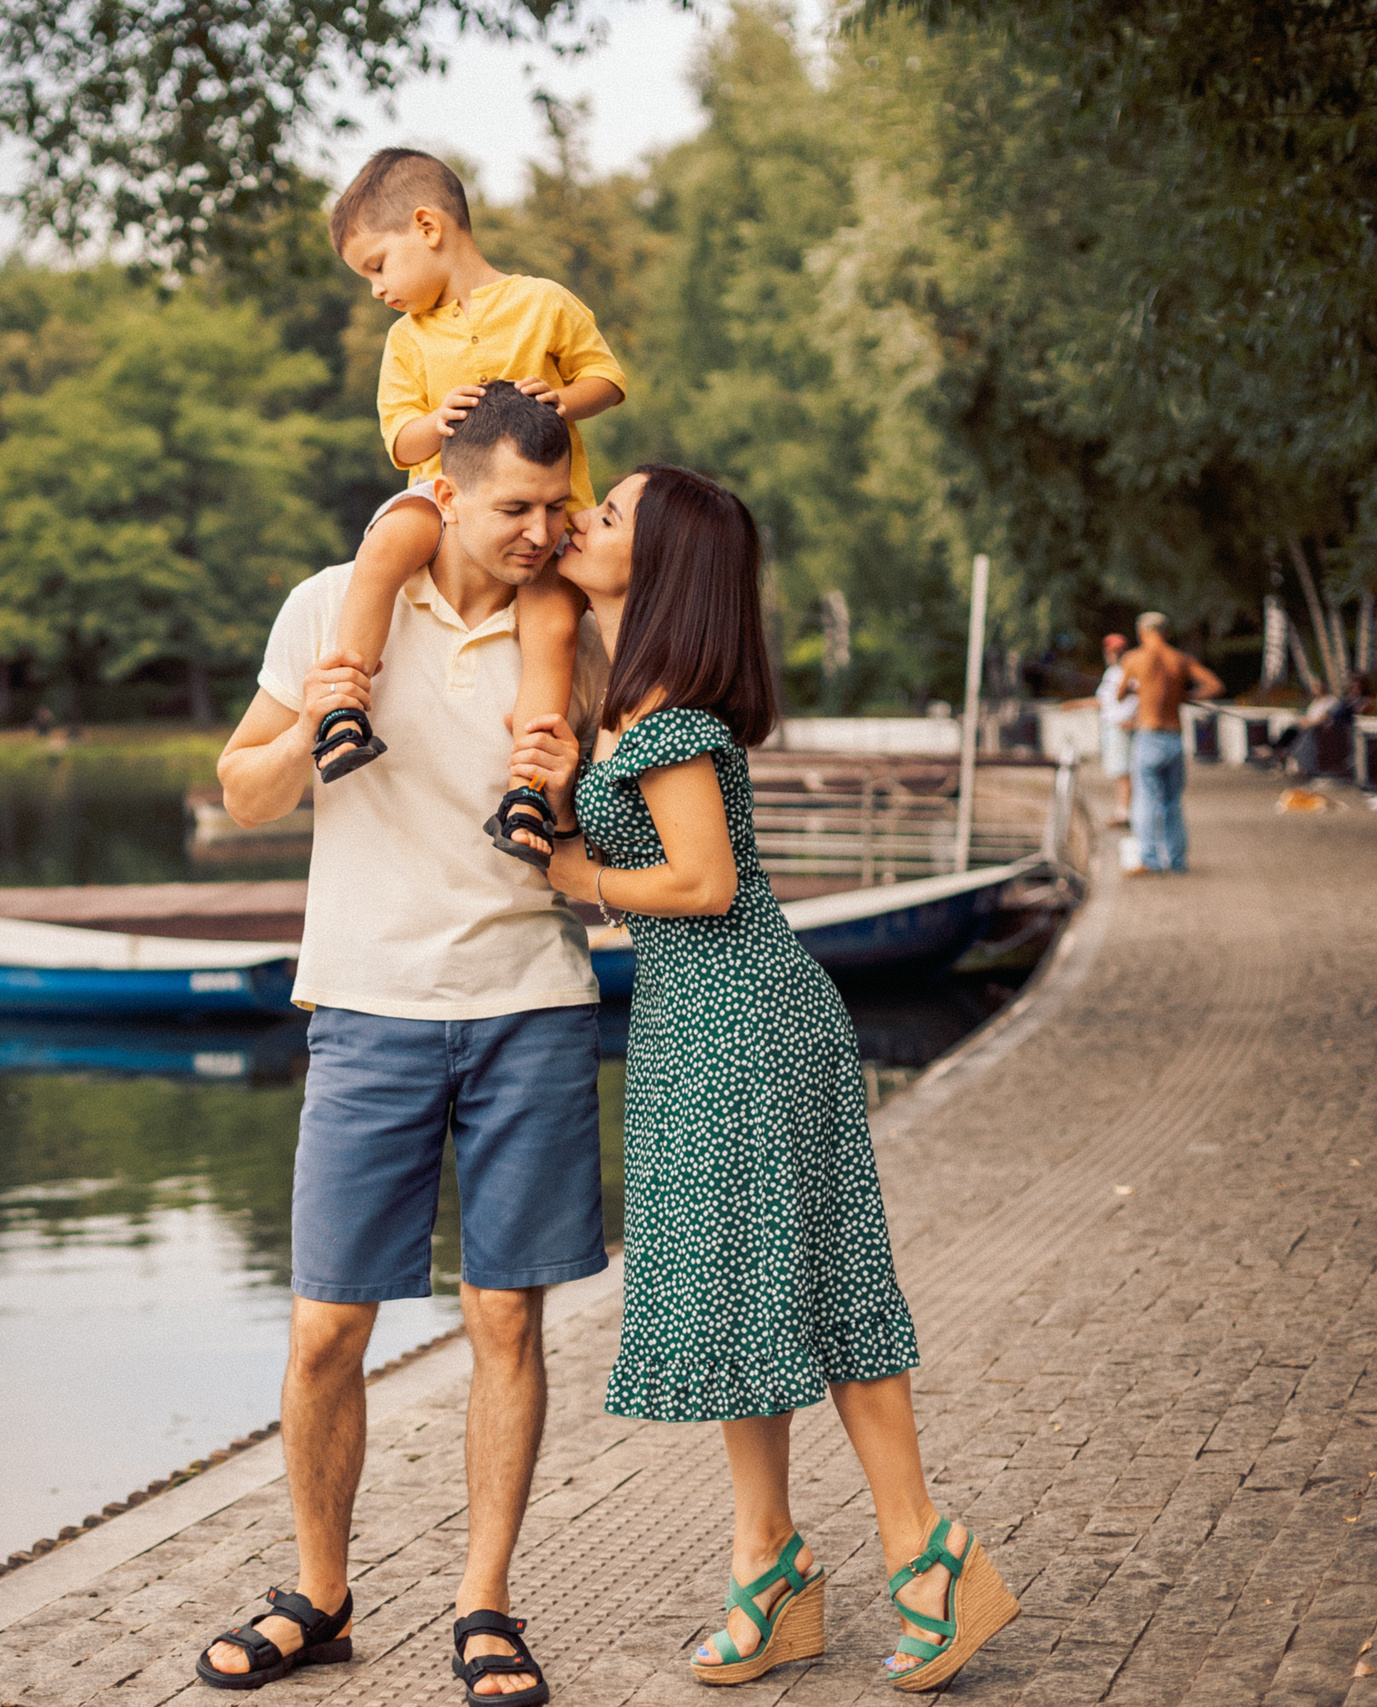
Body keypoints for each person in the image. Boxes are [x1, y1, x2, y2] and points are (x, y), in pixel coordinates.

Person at [522, 463, 1015, 1692]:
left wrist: (576, 878)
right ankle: (770, 1564)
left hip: (744, 1020)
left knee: (821, 1287)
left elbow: (704, 885)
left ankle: (926, 1554)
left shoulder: (677, 719)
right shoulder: (630, 706)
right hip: (701, 1028)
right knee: (748, 1308)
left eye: (610, 514)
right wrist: (551, 797)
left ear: (667, 562)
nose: (582, 519)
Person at [202, 385, 610, 1706]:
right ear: (447, 491)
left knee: (505, 1312)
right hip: (369, 1001)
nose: (543, 532)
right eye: (517, 509)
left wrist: (564, 768)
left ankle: (485, 1599)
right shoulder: (336, 601)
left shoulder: (569, 626)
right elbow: (243, 787)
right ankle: (319, 1594)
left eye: (559, 508)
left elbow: (603, 803)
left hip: (530, 995)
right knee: (328, 1325)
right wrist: (319, 711)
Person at [315, 149, 628, 871]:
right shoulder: (408, 340)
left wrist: (562, 397)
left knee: (551, 627)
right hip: (444, 503)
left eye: (377, 266)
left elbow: (607, 377)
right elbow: (400, 439)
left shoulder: (543, 302)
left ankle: (528, 789)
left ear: (427, 226)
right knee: (387, 546)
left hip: (542, 513)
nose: (376, 289)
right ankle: (346, 704)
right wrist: (438, 422)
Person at [1118, 612, 1224, 874]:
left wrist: (1137, 689)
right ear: (1165, 632)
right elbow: (1214, 685)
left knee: (1145, 800)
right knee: (1172, 802)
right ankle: (1177, 861)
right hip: (1174, 737)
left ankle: (1150, 860)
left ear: (1142, 632)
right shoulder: (1179, 659)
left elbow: (1119, 695)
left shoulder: (1134, 658)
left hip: (1149, 734)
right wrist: (1186, 695)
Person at [1062, 633, 1134, 825]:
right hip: (1111, 726)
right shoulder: (1111, 673)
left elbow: (1143, 696)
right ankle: (1124, 811)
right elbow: (1103, 701)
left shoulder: (1130, 670)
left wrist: (1133, 719)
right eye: (1111, 650)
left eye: (1117, 650)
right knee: (1118, 770)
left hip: (1122, 727)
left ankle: (1124, 813)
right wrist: (1075, 705)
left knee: (1123, 771)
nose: (1113, 654)